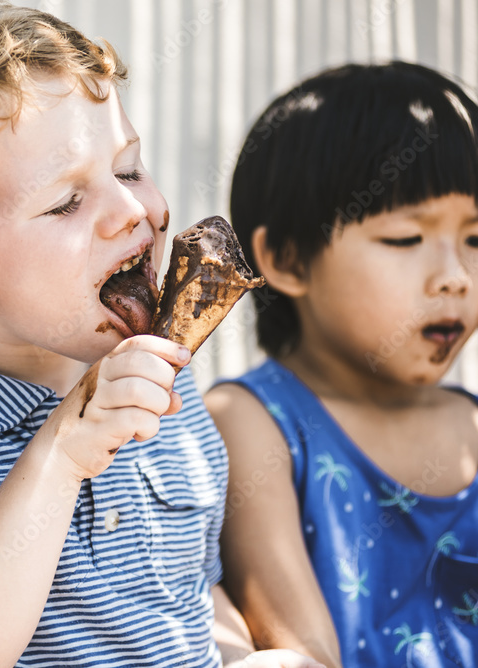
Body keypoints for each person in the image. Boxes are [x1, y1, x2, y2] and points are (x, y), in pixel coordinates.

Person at [0, 1, 323, 666]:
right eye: (65, 203)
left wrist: (244, 655)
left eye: (130, 168)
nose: (133, 210)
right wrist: (62, 454)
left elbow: (181, 592)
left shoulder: (165, 381)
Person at [206, 61, 478, 668]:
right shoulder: (254, 422)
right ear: (288, 259)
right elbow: (303, 655)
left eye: (475, 239)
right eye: (406, 239)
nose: (456, 277)